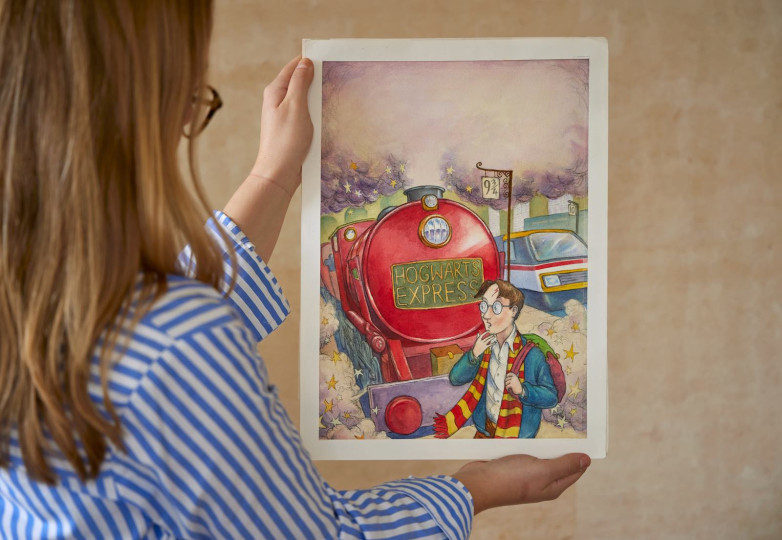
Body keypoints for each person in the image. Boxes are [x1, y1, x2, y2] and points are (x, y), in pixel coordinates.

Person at [0, 1, 590, 538]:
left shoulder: (34, 294)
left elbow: (164, 323)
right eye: (192, 95)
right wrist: (475, 488)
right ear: (148, 102)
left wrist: (275, 172)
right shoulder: (176, 340)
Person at [435, 280, 558, 439]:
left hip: (517, 438)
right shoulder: (483, 347)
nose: (486, 315)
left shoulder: (532, 355)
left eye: (496, 307)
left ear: (513, 311)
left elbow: (551, 397)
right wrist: (474, 354)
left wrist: (523, 390)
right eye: (484, 306)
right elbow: (455, 378)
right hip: (484, 432)